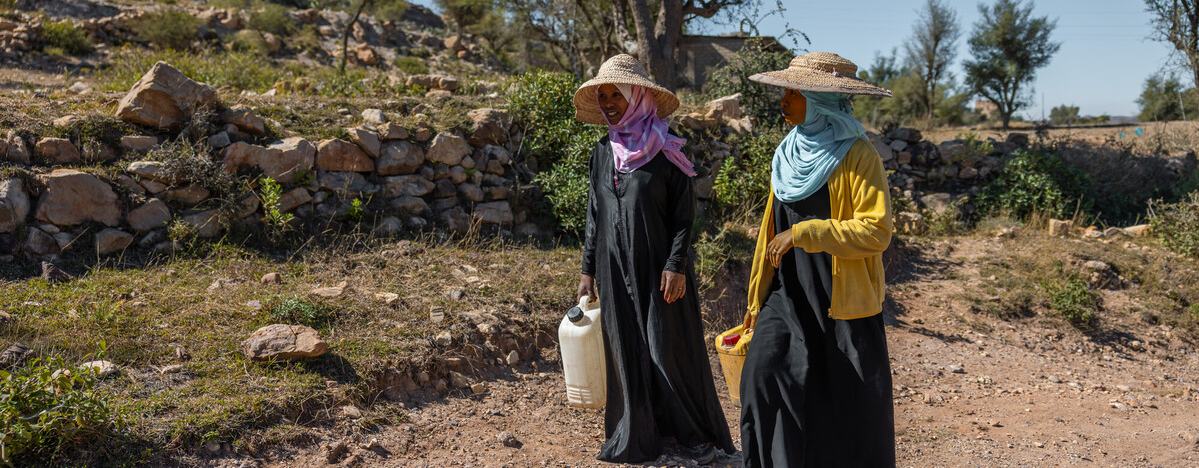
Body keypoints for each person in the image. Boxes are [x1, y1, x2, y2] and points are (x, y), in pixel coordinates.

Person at [573, 54, 735, 464]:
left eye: (616, 94)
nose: (609, 102)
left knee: (666, 351)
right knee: (626, 349)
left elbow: (685, 217)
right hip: (613, 269)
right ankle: (638, 438)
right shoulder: (602, 153)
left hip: (661, 273)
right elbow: (595, 213)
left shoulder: (667, 151)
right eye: (604, 95)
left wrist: (676, 264)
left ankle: (693, 436)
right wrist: (587, 269)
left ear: (638, 96)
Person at [738, 51, 897, 467]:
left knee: (844, 407)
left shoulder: (859, 156)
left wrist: (806, 233)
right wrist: (757, 297)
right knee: (762, 377)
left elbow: (876, 231)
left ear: (820, 100)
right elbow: (770, 232)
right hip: (787, 294)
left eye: (793, 92)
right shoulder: (787, 154)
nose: (783, 100)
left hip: (841, 300)